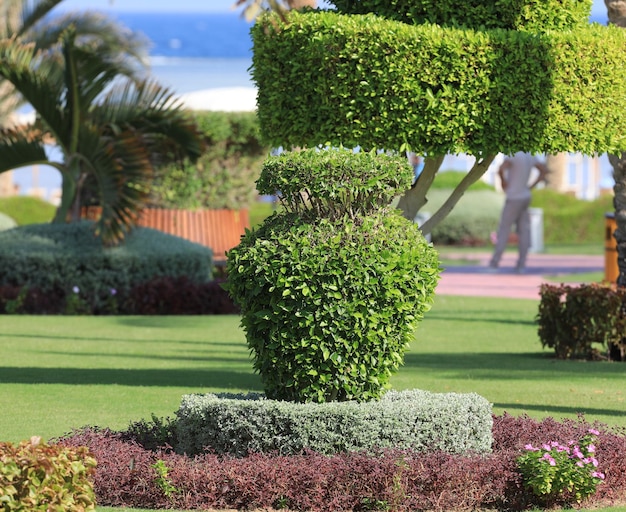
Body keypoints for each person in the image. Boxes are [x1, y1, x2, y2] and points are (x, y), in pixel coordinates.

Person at [488, 152, 549, 273]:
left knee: (504, 229)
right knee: (524, 230)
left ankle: (495, 262)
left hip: (513, 197)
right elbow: (544, 170)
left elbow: (501, 169)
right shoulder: (529, 155)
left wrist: (503, 181)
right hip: (525, 196)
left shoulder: (513, 154)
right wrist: (531, 186)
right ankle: (521, 264)